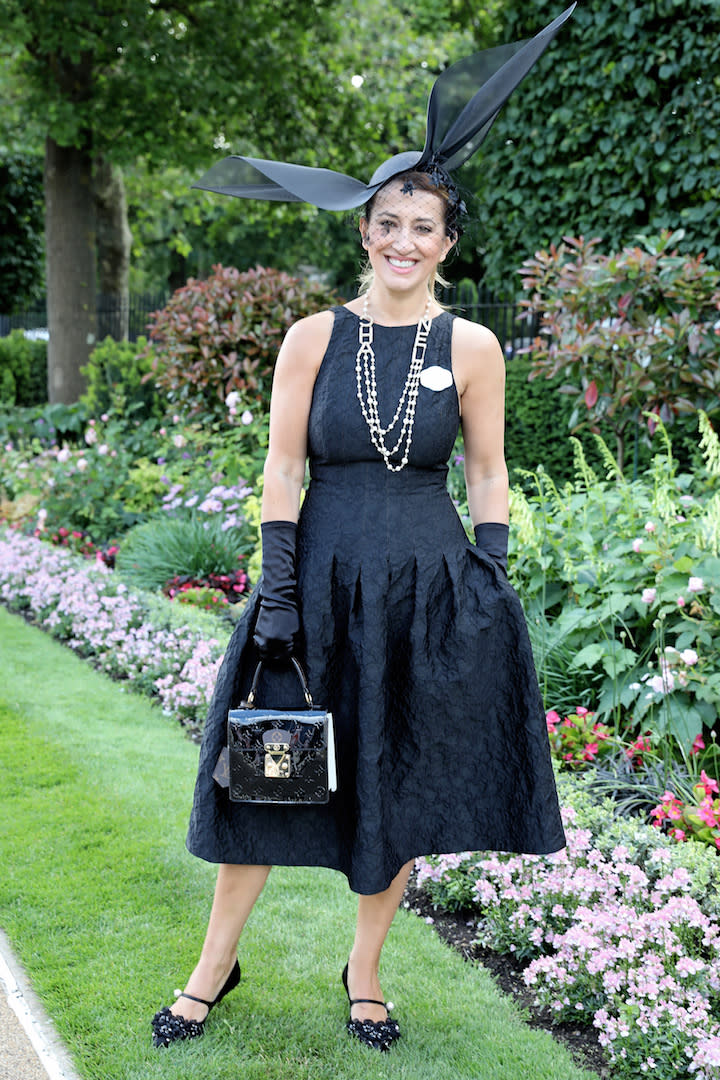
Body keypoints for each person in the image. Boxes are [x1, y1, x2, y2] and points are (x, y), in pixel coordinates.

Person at [151, 5, 575, 1054]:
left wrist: (491, 575)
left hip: (422, 591)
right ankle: (213, 969)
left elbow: (487, 470)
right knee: (259, 773)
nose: (402, 240)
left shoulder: (473, 346)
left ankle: (368, 973)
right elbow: (283, 466)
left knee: (401, 781)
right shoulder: (311, 337)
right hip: (318, 576)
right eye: (387, 223)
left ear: (447, 243)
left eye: (422, 227)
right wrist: (278, 587)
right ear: (364, 232)